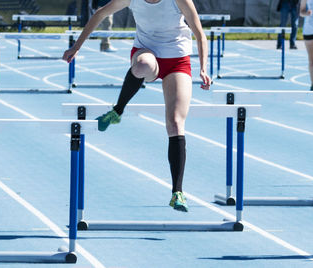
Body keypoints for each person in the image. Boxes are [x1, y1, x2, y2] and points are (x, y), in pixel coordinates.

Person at [63, 0, 212, 212]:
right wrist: (76, 47)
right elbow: (100, 14)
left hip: (177, 60)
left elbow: (199, 32)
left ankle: (177, 192)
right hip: (146, 53)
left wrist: (203, 68)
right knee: (143, 65)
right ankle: (117, 111)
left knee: (176, 123)